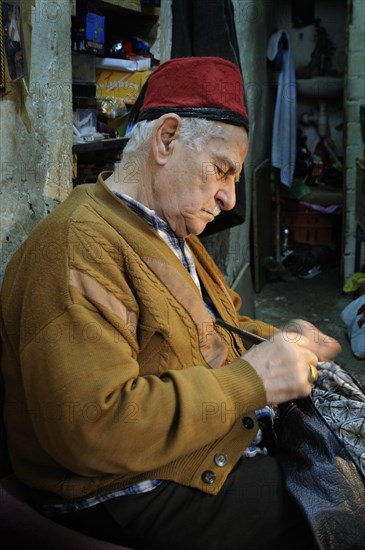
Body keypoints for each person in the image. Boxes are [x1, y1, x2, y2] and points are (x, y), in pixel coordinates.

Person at [0, 57, 341, 550]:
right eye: (222, 171)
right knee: (339, 502)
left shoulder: (165, 227)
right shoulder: (76, 247)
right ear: (166, 139)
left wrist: (282, 341)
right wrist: (252, 381)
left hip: (191, 454)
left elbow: (215, 325)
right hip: (121, 491)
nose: (229, 198)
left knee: (344, 457)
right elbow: (93, 427)